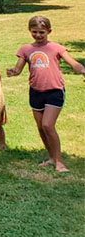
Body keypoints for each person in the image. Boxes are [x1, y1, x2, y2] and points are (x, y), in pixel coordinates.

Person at [6, 16, 85, 173]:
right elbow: (18, 69)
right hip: (35, 92)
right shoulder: (25, 49)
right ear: (30, 31)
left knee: (48, 125)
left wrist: (83, 71)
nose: (38, 35)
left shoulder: (56, 48)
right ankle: (51, 158)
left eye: (41, 32)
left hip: (54, 91)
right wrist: (13, 72)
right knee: (41, 128)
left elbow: (73, 63)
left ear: (49, 31)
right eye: (34, 32)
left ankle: (60, 162)